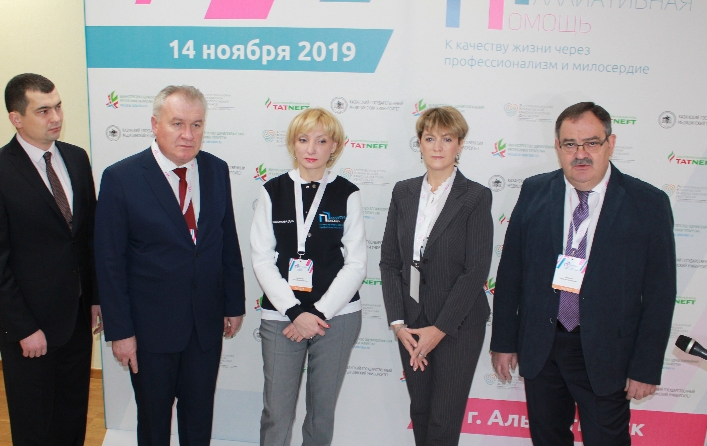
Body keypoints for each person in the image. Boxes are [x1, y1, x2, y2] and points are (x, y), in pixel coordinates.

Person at [490, 102, 677, 445]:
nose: (581, 154)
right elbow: (511, 271)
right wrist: (503, 341)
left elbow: (660, 294)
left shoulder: (648, 203)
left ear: (610, 143)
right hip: (542, 347)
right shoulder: (534, 191)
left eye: (591, 142)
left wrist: (645, 367)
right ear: (557, 146)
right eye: (570, 144)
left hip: (608, 353)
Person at [95, 85, 245, 446]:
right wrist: (120, 331)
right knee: (153, 421)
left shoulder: (215, 169)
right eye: (177, 123)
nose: (187, 134)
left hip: (204, 324)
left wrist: (233, 303)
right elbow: (109, 261)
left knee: (199, 418)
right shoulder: (122, 178)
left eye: (196, 124)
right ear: (155, 124)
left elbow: (226, 239)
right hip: (149, 331)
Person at [0, 73, 100, 445]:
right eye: (43, 110)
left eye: (58, 106)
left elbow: (86, 236)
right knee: (35, 426)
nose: (55, 117)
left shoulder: (75, 158)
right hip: (29, 327)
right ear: (16, 118)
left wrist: (95, 297)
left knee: (72, 415)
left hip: (76, 319)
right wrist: (24, 327)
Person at [250, 107, 366, 446]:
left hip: (336, 318)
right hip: (281, 317)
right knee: (277, 413)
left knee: (320, 414)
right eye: (303, 140)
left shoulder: (347, 192)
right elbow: (262, 259)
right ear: (292, 144)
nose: (311, 149)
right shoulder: (273, 190)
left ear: (335, 146)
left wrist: (316, 314)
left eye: (321, 141)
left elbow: (356, 264)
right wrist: (295, 312)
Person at [380, 106, 494, 445]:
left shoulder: (475, 196)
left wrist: (440, 328)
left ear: (460, 144)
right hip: (412, 324)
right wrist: (398, 323)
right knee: (421, 412)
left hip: (458, 325)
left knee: (444, 419)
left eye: (447, 139)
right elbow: (390, 262)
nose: (438, 147)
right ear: (419, 143)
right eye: (430, 138)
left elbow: (475, 270)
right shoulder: (403, 192)